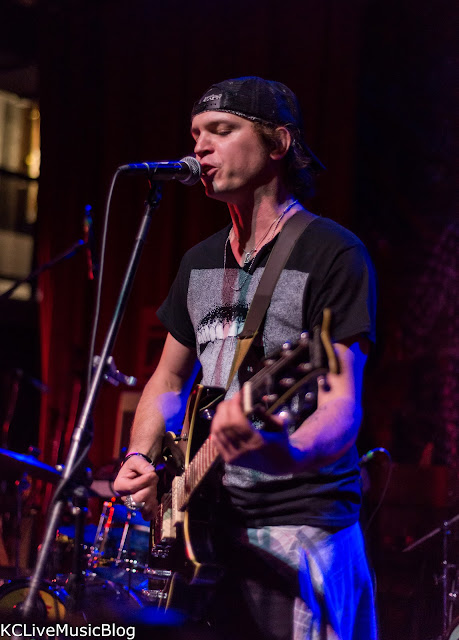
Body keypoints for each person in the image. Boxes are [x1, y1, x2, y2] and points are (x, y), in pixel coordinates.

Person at [114, 76, 377, 639]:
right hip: (208, 526)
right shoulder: (199, 260)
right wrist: (140, 454)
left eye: (221, 130)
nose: (200, 147)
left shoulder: (333, 252)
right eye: (195, 134)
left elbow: (340, 405)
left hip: (298, 525)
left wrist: (284, 452)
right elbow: (168, 378)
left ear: (278, 143)